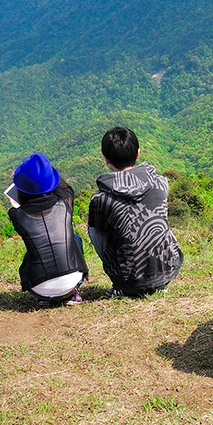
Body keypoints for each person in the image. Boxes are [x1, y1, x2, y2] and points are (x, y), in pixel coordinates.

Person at [87, 127, 183, 297]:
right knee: (159, 222)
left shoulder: (101, 198)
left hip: (128, 281)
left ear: (106, 159)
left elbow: (99, 230)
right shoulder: (161, 183)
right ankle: (159, 282)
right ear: (138, 153)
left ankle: (122, 284)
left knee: (94, 228)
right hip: (168, 270)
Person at [7, 153, 89, 306]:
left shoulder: (17, 215)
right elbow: (63, 187)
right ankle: (71, 294)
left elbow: (28, 216)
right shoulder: (65, 202)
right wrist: (46, 173)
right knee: (75, 238)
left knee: (31, 251)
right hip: (71, 281)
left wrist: (19, 205)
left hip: (39, 287)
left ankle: (45, 298)